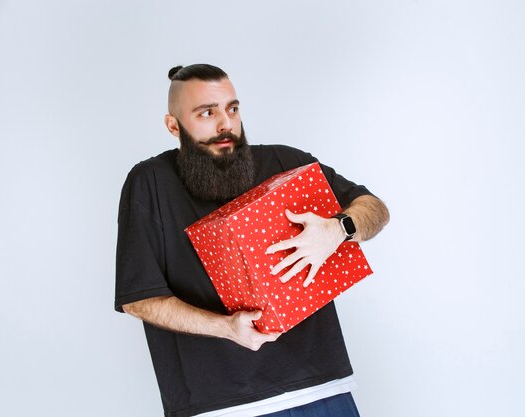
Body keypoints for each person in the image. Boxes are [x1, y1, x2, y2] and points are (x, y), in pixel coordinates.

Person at [115, 64, 390, 417]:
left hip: (323, 390)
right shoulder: (149, 183)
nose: (225, 124)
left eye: (232, 109)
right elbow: (138, 298)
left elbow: (374, 208)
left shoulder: (286, 162)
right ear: (173, 125)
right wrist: (226, 328)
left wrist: (339, 229)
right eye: (206, 113)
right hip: (218, 407)